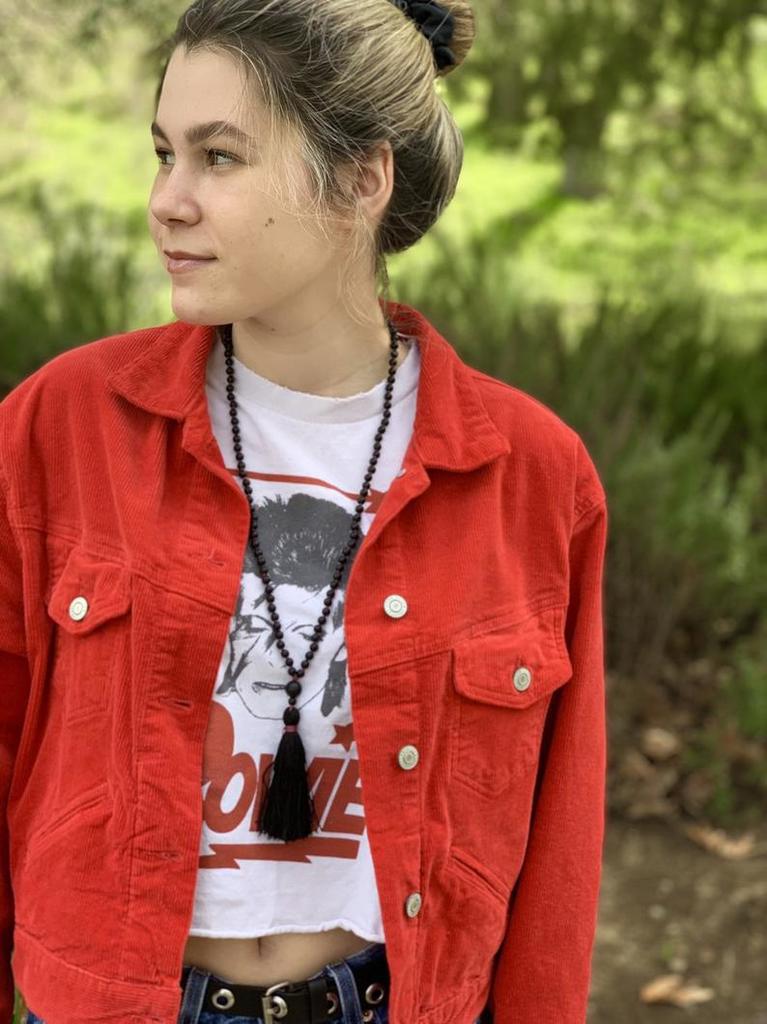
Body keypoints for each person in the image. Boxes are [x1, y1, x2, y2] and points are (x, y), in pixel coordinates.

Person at [0, 0, 609, 1022]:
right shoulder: (64, 427)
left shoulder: (533, 475)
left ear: (362, 181)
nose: (167, 201)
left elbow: (557, 854)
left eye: (219, 158)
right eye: (164, 155)